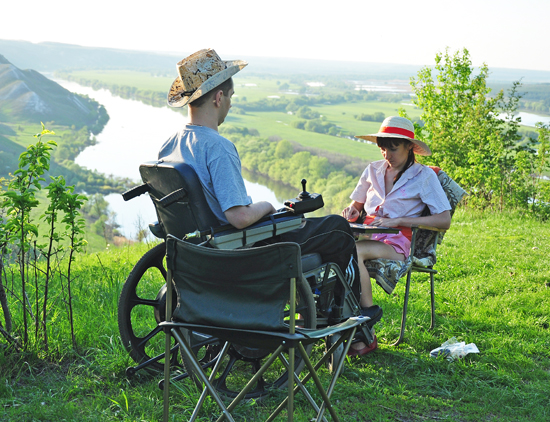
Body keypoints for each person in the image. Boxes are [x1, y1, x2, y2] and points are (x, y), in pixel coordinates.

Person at [158, 48, 361, 323]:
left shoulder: (169, 145)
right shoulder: (218, 148)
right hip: (238, 254)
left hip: (193, 253)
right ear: (219, 98)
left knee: (298, 223)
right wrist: (267, 206)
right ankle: (343, 318)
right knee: (337, 227)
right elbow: (239, 217)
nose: (230, 103)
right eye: (230, 97)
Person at [342, 116, 451, 355]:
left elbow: (444, 220)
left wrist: (400, 220)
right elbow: (356, 207)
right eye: (383, 148)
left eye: (393, 148)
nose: (387, 155)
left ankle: (366, 319)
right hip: (366, 234)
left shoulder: (424, 176)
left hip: (397, 242)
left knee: (352, 253)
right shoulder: (372, 169)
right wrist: (352, 211)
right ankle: (337, 324)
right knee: (333, 250)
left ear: (409, 146)